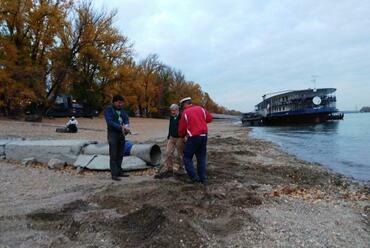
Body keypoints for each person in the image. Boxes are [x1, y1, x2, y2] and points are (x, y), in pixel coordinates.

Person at [178, 97, 213, 185]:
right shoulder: (201, 109)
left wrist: (182, 136)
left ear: (185, 104)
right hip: (204, 136)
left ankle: (194, 177)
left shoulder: (185, 112)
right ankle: (202, 178)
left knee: (187, 157)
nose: (182, 107)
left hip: (193, 137)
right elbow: (209, 119)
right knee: (201, 157)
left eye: (182, 105)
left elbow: (182, 129)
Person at [155, 104, 185, 179]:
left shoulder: (182, 117)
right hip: (172, 137)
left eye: (174, 110)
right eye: (171, 110)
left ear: (178, 110)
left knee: (179, 154)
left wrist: (184, 137)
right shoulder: (171, 117)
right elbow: (170, 126)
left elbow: (184, 127)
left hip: (180, 138)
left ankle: (181, 169)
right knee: (168, 152)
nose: (172, 112)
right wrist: (169, 135)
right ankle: (169, 169)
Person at [104, 95, 130, 181]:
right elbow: (109, 122)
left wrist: (126, 126)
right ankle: (114, 174)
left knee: (120, 153)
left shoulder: (122, 110)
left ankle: (119, 171)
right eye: (119, 102)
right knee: (113, 154)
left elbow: (126, 118)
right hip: (113, 134)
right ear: (114, 102)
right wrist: (120, 127)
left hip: (121, 134)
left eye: (122, 102)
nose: (120, 104)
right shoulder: (109, 109)